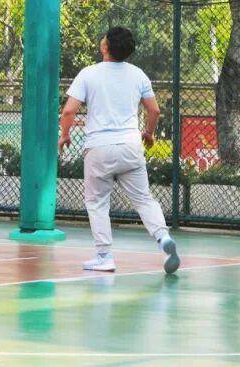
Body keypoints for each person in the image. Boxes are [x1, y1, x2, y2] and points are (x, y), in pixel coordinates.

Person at [59, 26, 179, 274]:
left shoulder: (88, 74)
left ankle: (104, 256)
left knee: (97, 202)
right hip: (130, 146)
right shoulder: (138, 75)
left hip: (99, 148)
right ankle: (163, 237)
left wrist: (65, 134)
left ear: (105, 47)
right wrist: (149, 133)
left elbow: (69, 110)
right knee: (143, 199)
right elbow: (154, 110)